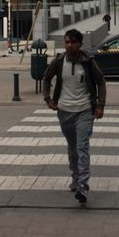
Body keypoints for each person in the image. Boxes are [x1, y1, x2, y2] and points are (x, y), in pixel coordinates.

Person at [42, 29, 106, 204]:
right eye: (67, 42)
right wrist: (48, 99)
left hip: (85, 111)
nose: (69, 45)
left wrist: (100, 105)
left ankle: (83, 186)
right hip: (64, 111)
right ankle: (76, 178)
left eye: (73, 42)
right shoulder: (59, 61)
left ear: (80, 44)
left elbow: (101, 81)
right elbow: (46, 78)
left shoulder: (88, 62)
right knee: (72, 147)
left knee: (82, 146)